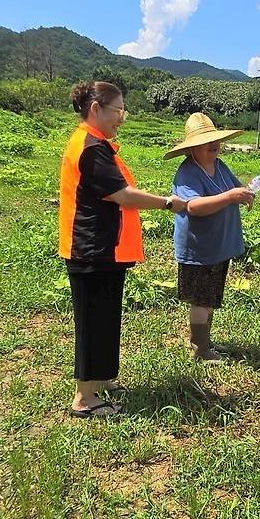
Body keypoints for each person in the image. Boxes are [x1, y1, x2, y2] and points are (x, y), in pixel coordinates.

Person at [59, 81, 186, 418]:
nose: (122, 118)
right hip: (91, 249)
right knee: (93, 321)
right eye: (118, 111)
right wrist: (169, 202)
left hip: (104, 249)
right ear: (95, 109)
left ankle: (98, 381)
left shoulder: (97, 144)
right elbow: (124, 195)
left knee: (104, 318)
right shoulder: (90, 148)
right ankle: (84, 399)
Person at [164, 113, 254, 363]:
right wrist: (231, 197)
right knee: (201, 298)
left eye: (214, 140)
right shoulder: (188, 172)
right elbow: (192, 206)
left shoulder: (220, 165)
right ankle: (199, 347)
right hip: (199, 247)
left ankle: (205, 341)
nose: (214, 145)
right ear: (192, 148)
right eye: (206, 142)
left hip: (219, 245)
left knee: (210, 296)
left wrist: (246, 193)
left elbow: (236, 188)